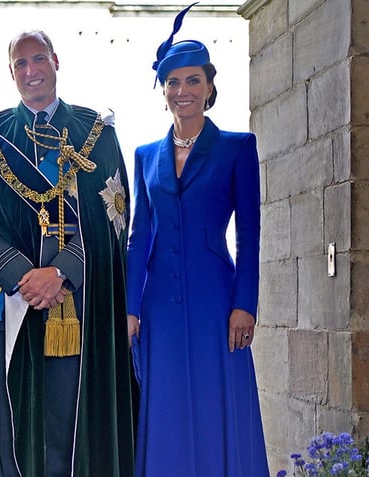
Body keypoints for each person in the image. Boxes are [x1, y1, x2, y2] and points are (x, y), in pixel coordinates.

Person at [0, 30, 136, 476]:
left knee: (69, 419)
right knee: (11, 418)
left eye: (38, 60)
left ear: (55, 61)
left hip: (77, 304)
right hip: (10, 299)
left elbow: (116, 218)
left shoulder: (98, 132)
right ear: (10, 71)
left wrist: (62, 273)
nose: (30, 72)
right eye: (20, 64)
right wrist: (22, 275)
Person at [125, 4, 269, 476]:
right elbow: (138, 237)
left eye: (192, 81)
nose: (182, 91)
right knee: (164, 406)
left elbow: (249, 233)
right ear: (162, 90)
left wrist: (244, 302)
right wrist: (129, 307)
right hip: (159, 307)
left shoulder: (237, 148)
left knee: (217, 400)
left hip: (217, 303)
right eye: (173, 82)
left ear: (209, 87)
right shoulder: (145, 156)